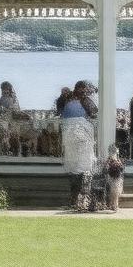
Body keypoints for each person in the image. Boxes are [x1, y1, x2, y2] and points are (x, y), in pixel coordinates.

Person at [60, 82, 97, 210]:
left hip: (74, 139)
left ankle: (75, 198)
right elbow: (94, 114)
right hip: (79, 139)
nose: (84, 93)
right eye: (83, 91)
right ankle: (78, 198)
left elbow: (64, 119)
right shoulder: (80, 102)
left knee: (76, 169)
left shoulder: (71, 103)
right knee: (80, 169)